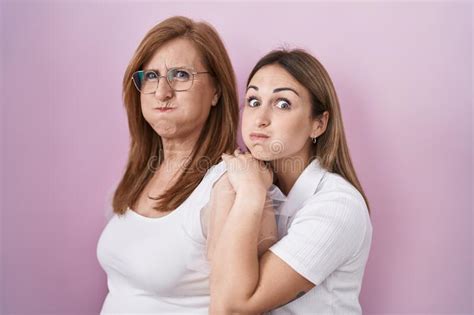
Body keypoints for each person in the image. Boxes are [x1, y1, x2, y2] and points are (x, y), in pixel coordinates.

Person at [96, 16, 249, 313]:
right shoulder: (139, 175)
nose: (162, 92)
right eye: (151, 76)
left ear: (216, 91)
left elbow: (234, 307)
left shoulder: (228, 185)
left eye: (180, 75)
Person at [209, 49, 373, 314]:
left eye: (282, 103)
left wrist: (251, 193)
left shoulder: (338, 206)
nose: (260, 119)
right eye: (253, 101)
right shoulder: (244, 182)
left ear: (319, 124)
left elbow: (231, 307)